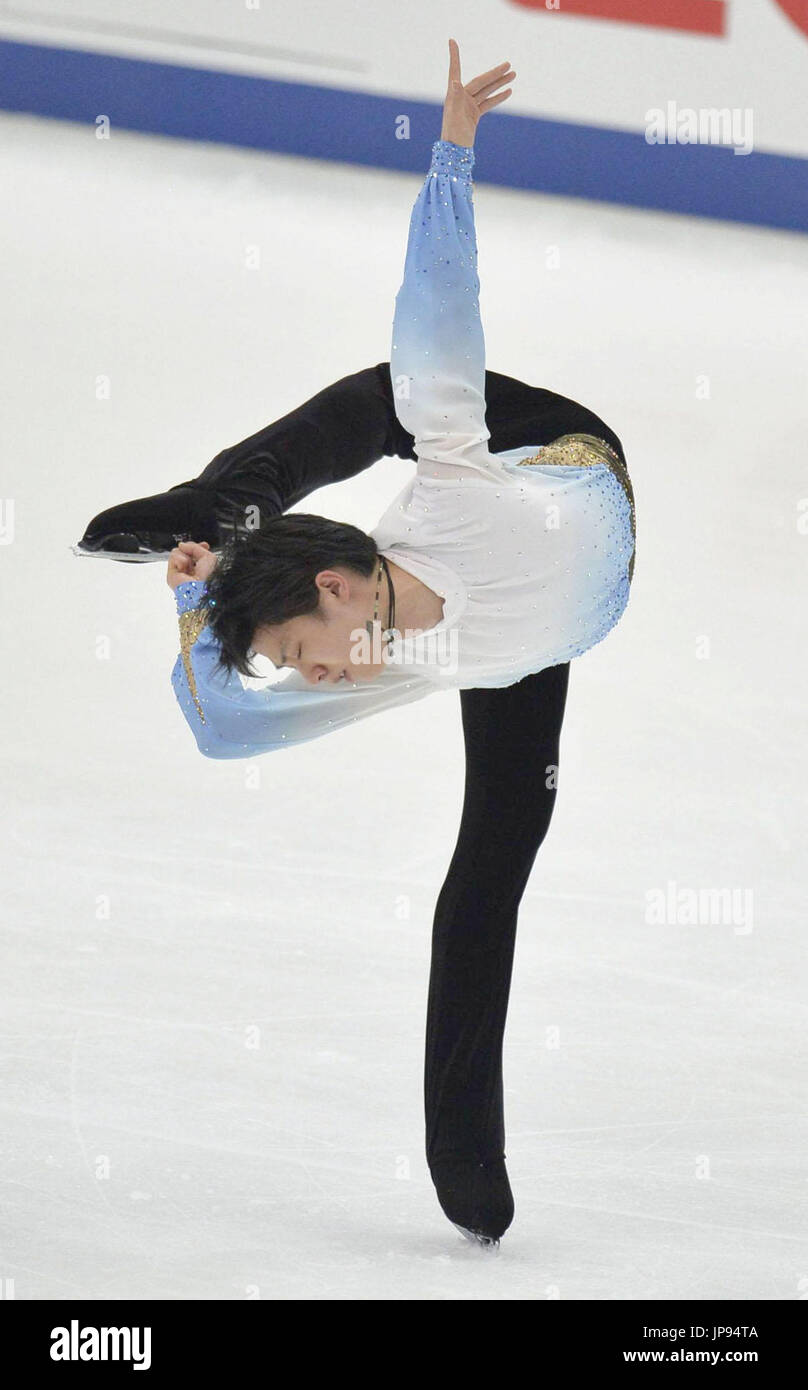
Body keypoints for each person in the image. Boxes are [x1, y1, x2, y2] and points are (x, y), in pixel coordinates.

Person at [75, 41, 636, 1247]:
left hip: (552, 461)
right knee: (492, 860)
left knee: (406, 392)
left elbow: (440, 300)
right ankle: (467, 1162)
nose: (310, 673)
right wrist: (197, 609)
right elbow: (225, 726)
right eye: (294, 665)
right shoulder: (392, 664)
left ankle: (221, 502)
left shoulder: (453, 494)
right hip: (516, 645)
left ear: (339, 584)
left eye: (300, 644)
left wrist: (451, 147)